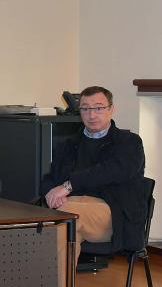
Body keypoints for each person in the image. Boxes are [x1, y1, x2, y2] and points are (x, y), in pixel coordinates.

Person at [42, 86, 146, 262]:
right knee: (64, 232)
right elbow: (50, 177)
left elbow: (110, 171)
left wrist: (68, 186)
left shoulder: (129, 142)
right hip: (72, 208)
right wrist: (51, 193)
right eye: (85, 109)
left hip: (115, 215)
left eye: (98, 108)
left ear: (111, 109)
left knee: (61, 217)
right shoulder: (69, 144)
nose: (91, 115)